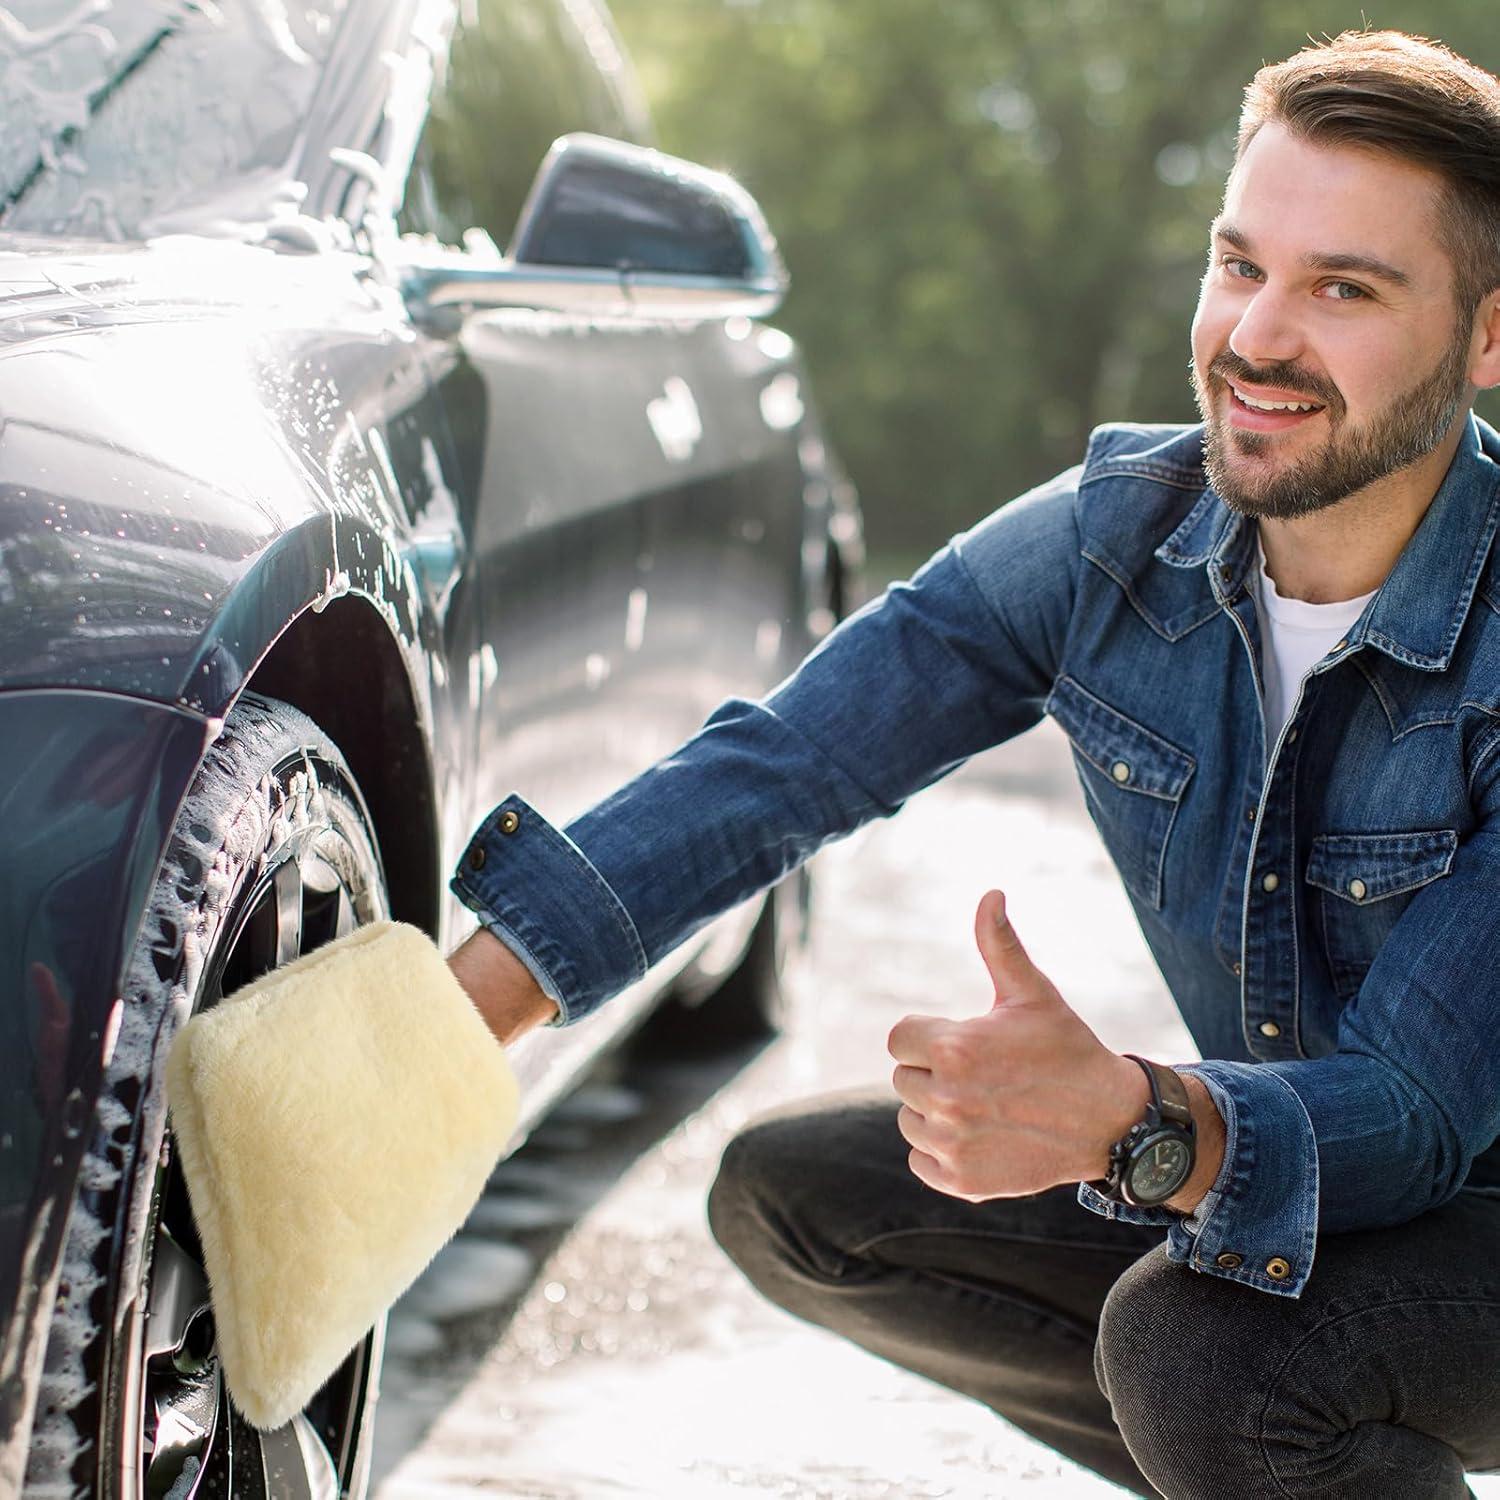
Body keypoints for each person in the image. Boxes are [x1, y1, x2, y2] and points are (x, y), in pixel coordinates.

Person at [445, 29, 1500, 1498]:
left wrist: (1135, 1121)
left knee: (1209, 1349)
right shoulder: (1111, 540)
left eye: (1345, 289)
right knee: (808, 1198)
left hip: (1477, 1209)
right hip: (1278, 1165)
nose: (1258, 337)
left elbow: (1416, 1122)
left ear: (1489, 336)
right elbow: (792, 760)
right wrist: (451, 1025)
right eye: (1240, 264)